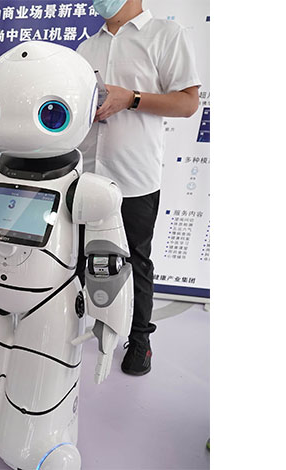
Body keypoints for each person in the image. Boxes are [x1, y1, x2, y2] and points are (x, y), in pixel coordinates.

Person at [76, 0, 200, 376]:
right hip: (86, 175)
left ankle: (140, 339)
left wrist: (131, 98)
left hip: (134, 178)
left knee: (136, 262)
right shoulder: (86, 47)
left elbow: (187, 103)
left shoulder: (165, 35)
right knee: (78, 258)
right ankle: (76, 327)